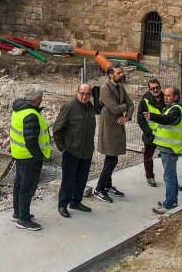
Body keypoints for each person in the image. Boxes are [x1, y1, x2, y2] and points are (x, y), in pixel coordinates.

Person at [52, 83, 97, 218]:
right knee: (68, 180)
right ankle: (63, 205)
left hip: (86, 152)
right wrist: (63, 148)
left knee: (82, 179)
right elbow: (57, 129)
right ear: (77, 92)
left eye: (87, 94)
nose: (84, 96)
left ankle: (76, 201)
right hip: (71, 152)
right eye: (82, 93)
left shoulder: (91, 108)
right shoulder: (69, 107)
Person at [10, 87, 51, 230]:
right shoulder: (31, 115)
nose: (42, 99)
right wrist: (39, 157)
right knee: (27, 188)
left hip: (20, 154)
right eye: (41, 97)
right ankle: (24, 219)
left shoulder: (18, 110)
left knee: (19, 185)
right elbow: (31, 141)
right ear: (36, 99)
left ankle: (18, 213)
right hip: (29, 157)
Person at [145, 85, 182, 214]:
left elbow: (168, 120)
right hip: (167, 148)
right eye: (165, 95)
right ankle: (172, 200)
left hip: (170, 149)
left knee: (169, 177)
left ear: (176, 97)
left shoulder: (176, 110)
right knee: (171, 176)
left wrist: (152, 116)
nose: (166, 98)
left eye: (169, 95)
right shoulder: (170, 108)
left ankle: (169, 204)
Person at [94, 65, 132, 202]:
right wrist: (124, 107)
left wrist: (127, 116)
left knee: (111, 156)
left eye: (121, 72)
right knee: (111, 158)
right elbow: (115, 108)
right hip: (109, 125)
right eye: (118, 72)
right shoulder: (105, 88)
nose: (121, 74)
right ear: (111, 75)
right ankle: (99, 189)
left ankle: (108, 185)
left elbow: (131, 104)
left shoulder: (121, 87)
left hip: (118, 125)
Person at [136, 78, 165, 187]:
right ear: (149, 90)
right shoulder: (145, 101)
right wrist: (149, 132)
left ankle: (169, 178)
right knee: (148, 157)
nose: (155, 90)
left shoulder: (166, 99)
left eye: (157, 87)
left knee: (167, 157)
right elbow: (140, 119)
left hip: (165, 134)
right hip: (151, 135)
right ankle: (150, 176)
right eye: (152, 88)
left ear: (160, 87)